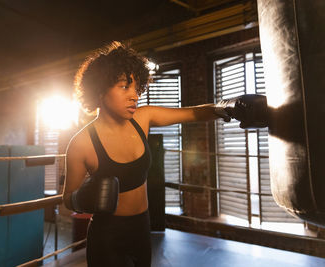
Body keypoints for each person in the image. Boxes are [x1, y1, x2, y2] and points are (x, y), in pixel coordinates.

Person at [63, 41, 267, 267]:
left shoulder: (143, 118)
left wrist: (227, 108)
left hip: (142, 228)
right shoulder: (81, 143)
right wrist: (82, 199)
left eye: (136, 88)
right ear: (100, 90)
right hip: (107, 237)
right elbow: (67, 199)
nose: (134, 96)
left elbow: (192, 114)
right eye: (124, 87)